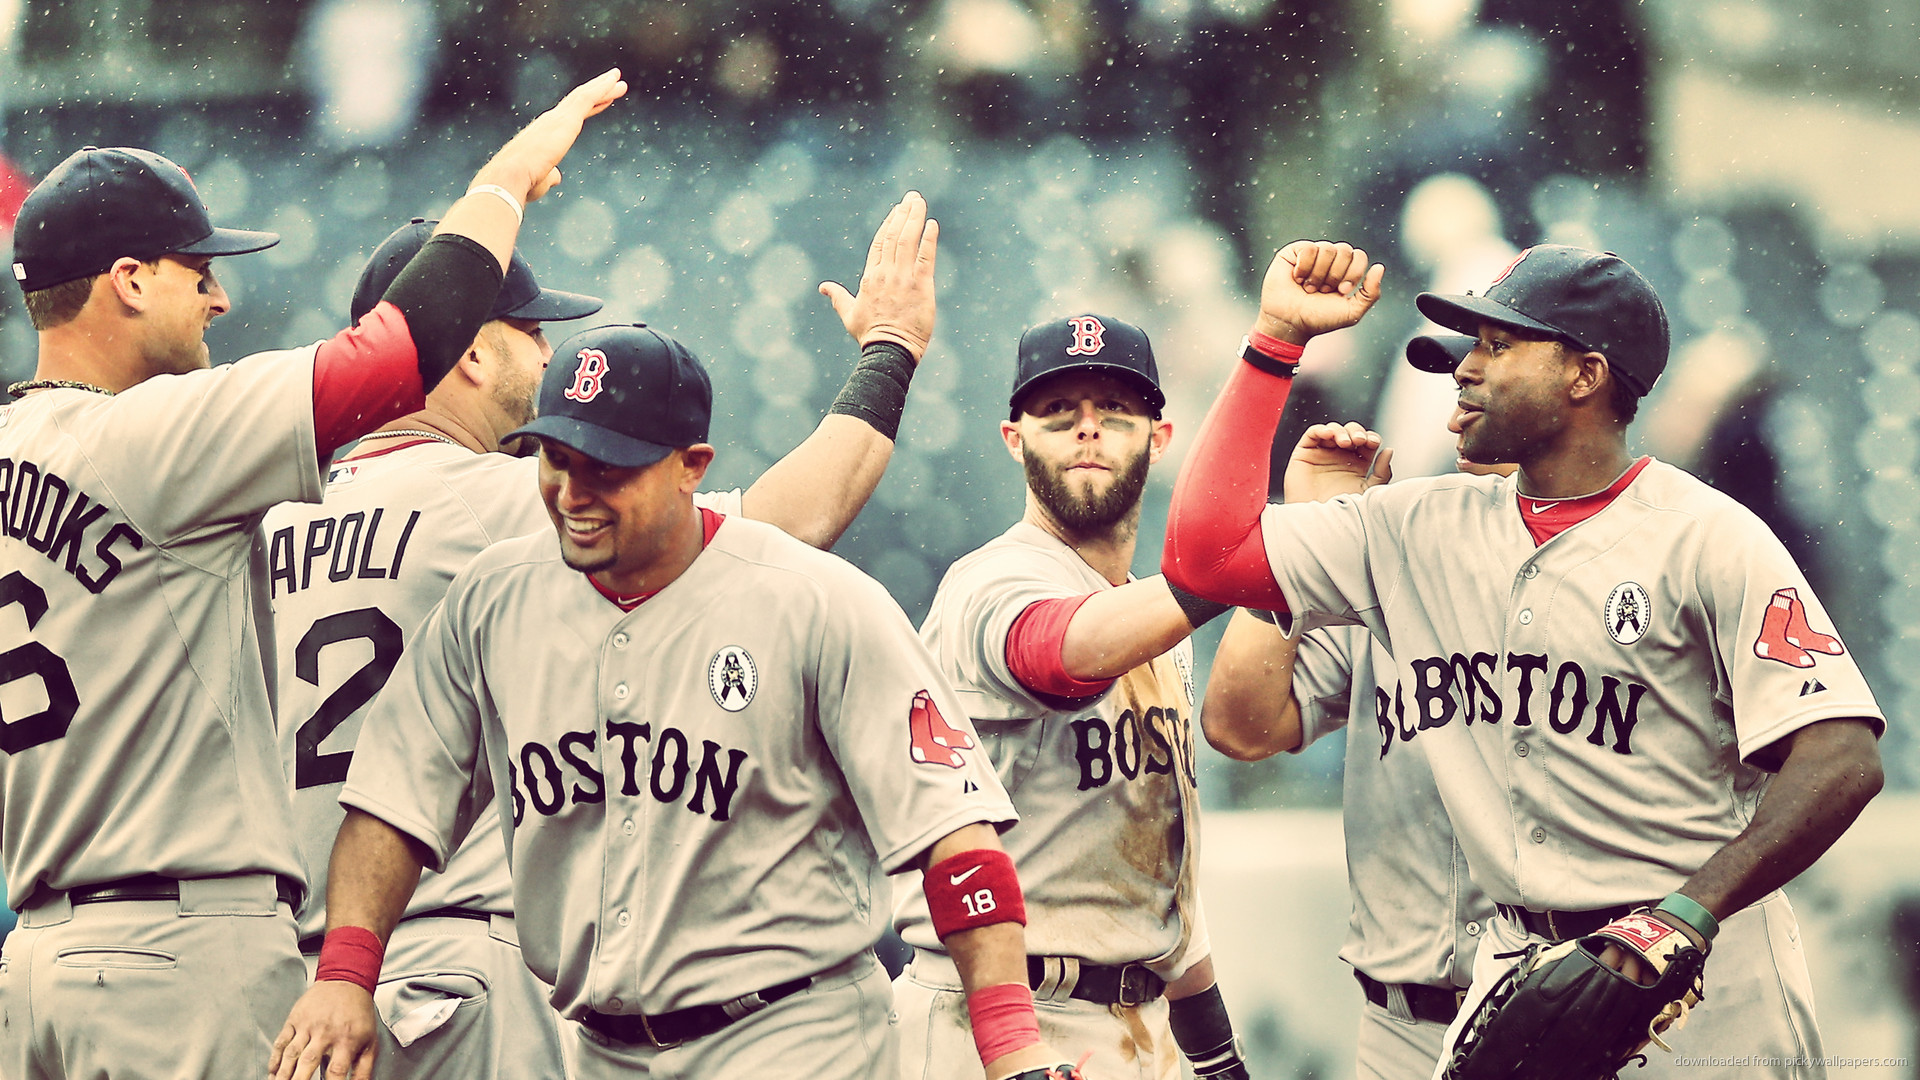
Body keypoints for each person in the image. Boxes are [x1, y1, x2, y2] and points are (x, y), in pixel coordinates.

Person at [0, 70, 627, 1080]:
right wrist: (504, 183)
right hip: (180, 955)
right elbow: (391, 357)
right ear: (127, 281)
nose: (220, 293)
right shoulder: (144, 436)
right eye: (193, 268)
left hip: (32, 963)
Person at [269, 323, 1084, 1080]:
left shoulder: (817, 601)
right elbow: (395, 799)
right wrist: (346, 973)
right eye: (555, 459)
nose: (572, 492)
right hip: (601, 1049)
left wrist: (1011, 1042)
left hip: (794, 1036)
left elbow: (955, 837)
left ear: (693, 465)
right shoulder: (495, 597)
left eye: (608, 469)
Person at [1163, 241, 1885, 1079]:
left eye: (1497, 346)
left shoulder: (1711, 537)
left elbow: (1843, 757)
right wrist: (1275, 342)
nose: (1465, 369)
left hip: (1701, 979)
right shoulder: (1411, 524)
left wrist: (1684, 913)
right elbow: (1203, 559)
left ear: (1585, 376)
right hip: (1514, 973)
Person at [895, 315, 1252, 1080]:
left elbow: (1164, 895)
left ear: (1158, 438)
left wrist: (1218, 1056)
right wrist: (1233, 569)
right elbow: (1062, 654)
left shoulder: (1159, 620)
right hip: (990, 1020)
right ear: (1013, 438)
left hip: (1137, 1022)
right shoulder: (989, 580)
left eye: (1114, 415)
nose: (1087, 431)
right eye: (1059, 416)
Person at [1204, 343, 1498, 1080]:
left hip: (1583, 1016)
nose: (1463, 383)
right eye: (1463, 363)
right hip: (1402, 1025)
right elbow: (1242, 724)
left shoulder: (1652, 551)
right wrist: (1304, 531)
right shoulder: (1393, 551)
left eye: (1497, 354)